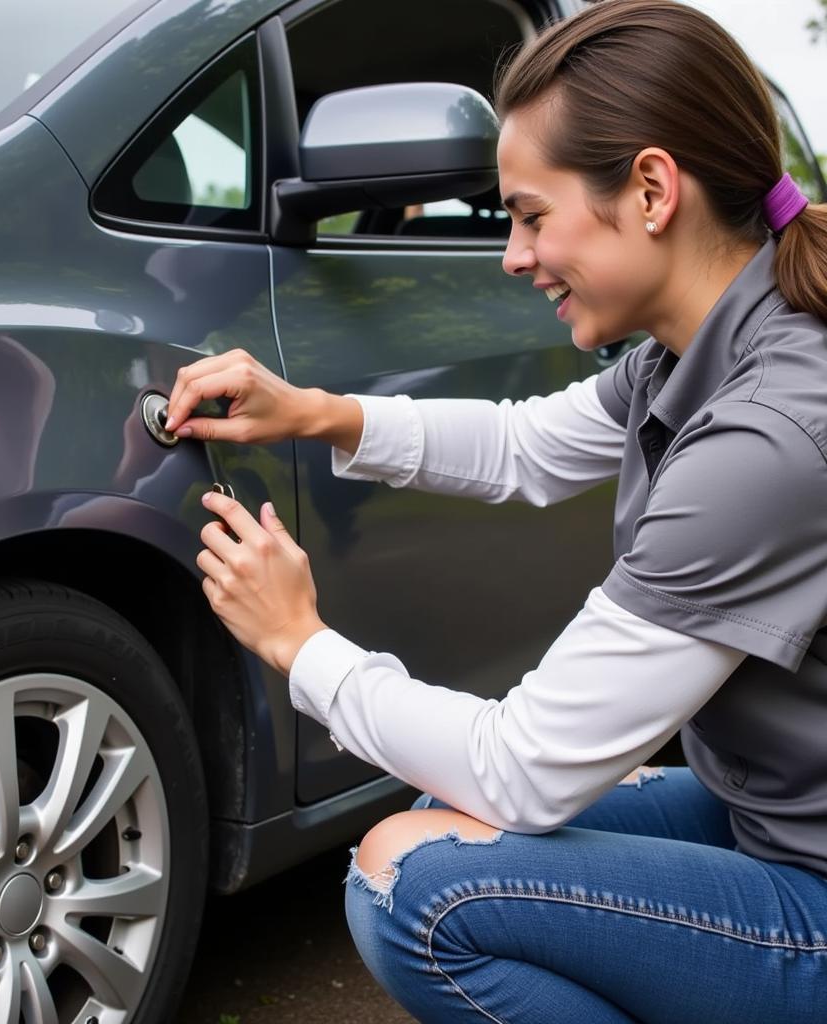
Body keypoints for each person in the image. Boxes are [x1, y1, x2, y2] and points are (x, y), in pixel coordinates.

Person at [163, 1, 827, 1019]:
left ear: (650, 190)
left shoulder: (768, 437)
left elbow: (524, 771)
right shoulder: (696, 349)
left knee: (415, 886)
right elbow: (526, 446)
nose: (512, 255)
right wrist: (319, 414)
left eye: (528, 213)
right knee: (447, 813)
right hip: (773, 814)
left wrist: (301, 644)